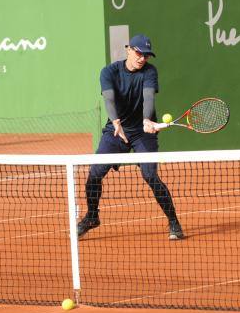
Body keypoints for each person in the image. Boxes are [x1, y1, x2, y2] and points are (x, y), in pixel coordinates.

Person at [76, 34, 184, 241]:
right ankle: (91, 216)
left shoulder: (150, 72)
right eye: (138, 53)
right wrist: (116, 122)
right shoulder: (109, 72)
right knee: (94, 174)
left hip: (143, 132)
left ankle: (173, 222)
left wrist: (146, 120)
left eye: (146, 55)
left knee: (150, 176)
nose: (142, 58)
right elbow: (108, 98)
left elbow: (148, 97)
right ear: (128, 49)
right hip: (116, 131)